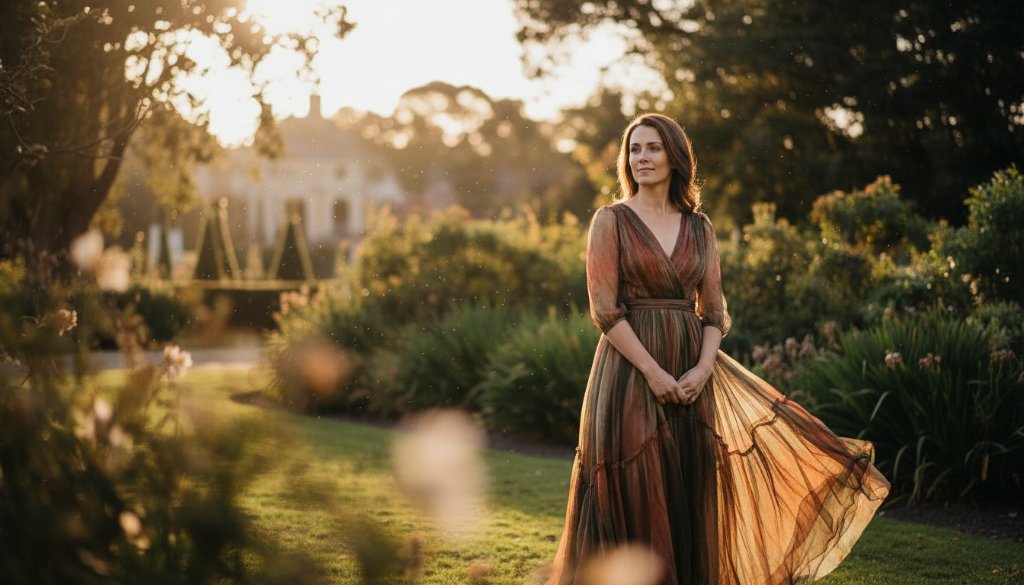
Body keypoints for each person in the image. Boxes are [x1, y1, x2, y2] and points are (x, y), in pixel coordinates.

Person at [547, 113, 890, 585]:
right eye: (634, 149)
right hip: (629, 373)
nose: (641, 158)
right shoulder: (611, 221)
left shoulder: (699, 227)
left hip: (691, 371)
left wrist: (703, 369)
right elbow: (605, 311)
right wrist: (653, 373)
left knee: (689, 489)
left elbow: (714, 311)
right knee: (636, 488)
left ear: (675, 157)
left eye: (652, 148)